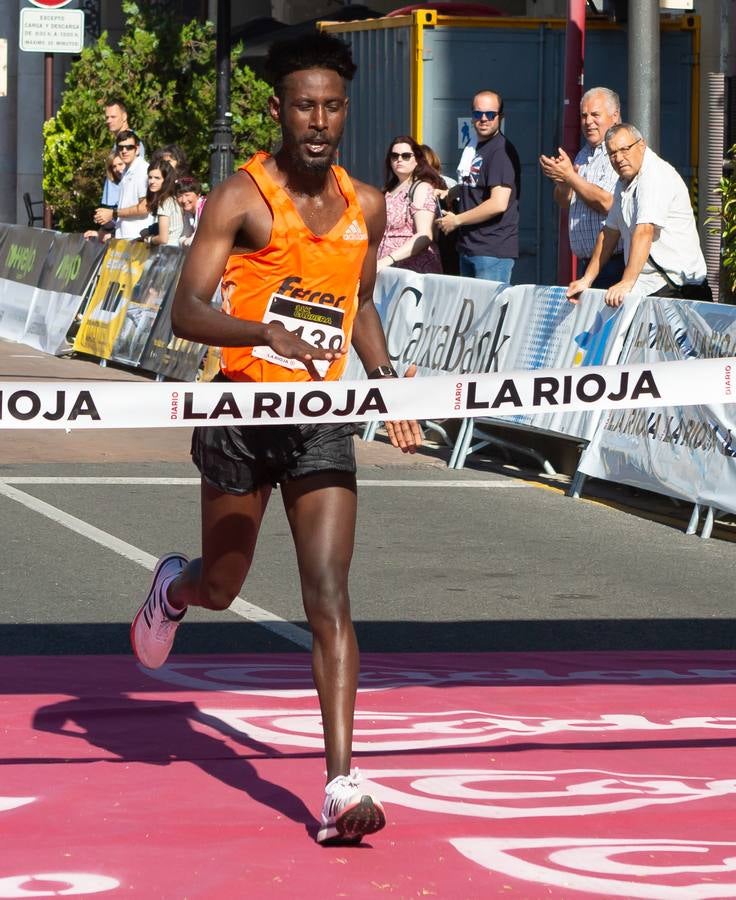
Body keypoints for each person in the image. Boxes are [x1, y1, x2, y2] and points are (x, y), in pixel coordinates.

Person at [129, 32, 421, 845]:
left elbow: (358, 303)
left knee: (327, 594)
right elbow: (185, 311)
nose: (318, 120)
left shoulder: (366, 205)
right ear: (279, 110)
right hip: (241, 419)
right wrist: (265, 333)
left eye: (331, 106)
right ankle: (173, 590)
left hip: (320, 423)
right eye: (303, 105)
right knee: (223, 584)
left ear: (344, 111)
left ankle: (340, 784)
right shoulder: (241, 198)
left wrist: (387, 377)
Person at [567, 123, 711, 306]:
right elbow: (609, 233)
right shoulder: (624, 181)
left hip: (679, 289)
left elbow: (644, 231)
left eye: (625, 149)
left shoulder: (654, 175)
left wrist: (626, 283)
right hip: (649, 287)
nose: (618, 158)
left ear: (641, 145)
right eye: (612, 153)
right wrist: (586, 280)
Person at [539, 87, 624, 288]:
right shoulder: (584, 154)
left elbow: (606, 203)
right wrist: (562, 182)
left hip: (614, 264)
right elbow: (565, 201)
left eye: (595, 115)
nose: (588, 122)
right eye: (584, 115)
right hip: (589, 264)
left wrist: (570, 176)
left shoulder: (618, 153)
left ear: (614, 116)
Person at [436, 89, 521, 283]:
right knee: (473, 313)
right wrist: (449, 192)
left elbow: (498, 203)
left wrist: (457, 220)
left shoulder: (500, 152)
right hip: (469, 246)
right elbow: (475, 183)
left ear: (500, 117)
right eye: (478, 114)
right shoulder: (474, 147)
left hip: (491, 250)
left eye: (490, 114)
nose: (484, 119)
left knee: (487, 313)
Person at [377, 136, 444, 274]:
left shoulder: (422, 188)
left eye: (406, 156)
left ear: (417, 160)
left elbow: (425, 235)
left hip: (414, 272)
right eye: (394, 156)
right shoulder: (388, 190)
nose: (399, 159)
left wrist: (388, 259)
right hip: (387, 271)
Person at [94, 130, 152, 239]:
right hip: (124, 238)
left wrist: (113, 213)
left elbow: (144, 208)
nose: (124, 151)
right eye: (120, 148)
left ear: (137, 149)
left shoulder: (142, 170)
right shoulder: (126, 171)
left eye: (129, 147)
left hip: (138, 239)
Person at [141, 159, 187, 247]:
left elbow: (163, 238)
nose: (152, 181)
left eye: (157, 178)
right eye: (150, 177)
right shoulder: (172, 199)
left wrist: (149, 239)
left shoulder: (165, 202)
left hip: (168, 252)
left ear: (166, 180)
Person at [84, 150, 125, 242]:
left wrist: (112, 214)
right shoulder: (117, 186)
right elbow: (116, 221)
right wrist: (99, 232)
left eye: (120, 164)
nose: (118, 169)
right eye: (114, 166)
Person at [175, 175, 206, 247]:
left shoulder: (205, 208)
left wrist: (186, 241)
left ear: (198, 195)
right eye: (179, 196)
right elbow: (184, 236)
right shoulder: (187, 212)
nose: (183, 200)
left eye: (187, 195)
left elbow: (200, 238)